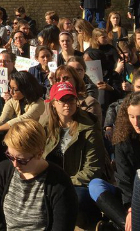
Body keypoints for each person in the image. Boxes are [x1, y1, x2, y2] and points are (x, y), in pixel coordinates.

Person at [90, 92, 140, 231]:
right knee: (95, 185)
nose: (136, 123)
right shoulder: (123, 141)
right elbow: (124, 179)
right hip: (130, 196)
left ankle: (119, 226)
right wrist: (131, 209)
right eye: (131, 117)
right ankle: (126, 225)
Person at [0, 120, 78, 231]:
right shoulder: (3, 171)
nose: (15, 164)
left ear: (40, 153)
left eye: (22, 160)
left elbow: (62, 226)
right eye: (10, 156)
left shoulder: (59, 182)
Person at [42, 81, 108, 212]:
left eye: (71, 99)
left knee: (73, 198)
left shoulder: (89, 128)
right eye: (62, 100)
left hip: (78, 183)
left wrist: (64, 182)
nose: (67, 104)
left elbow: (93, 169)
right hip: (50, 180)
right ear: (53, 103)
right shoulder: (44, 126)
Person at [0, 71, 45, 154]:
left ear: (25, 89)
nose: (11, 92)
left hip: (31, 137)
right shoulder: (12, 101)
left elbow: (24, 119)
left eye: (15, 89)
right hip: (16, 134)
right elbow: (3, 118)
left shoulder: (39, 103)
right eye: (10, 88)